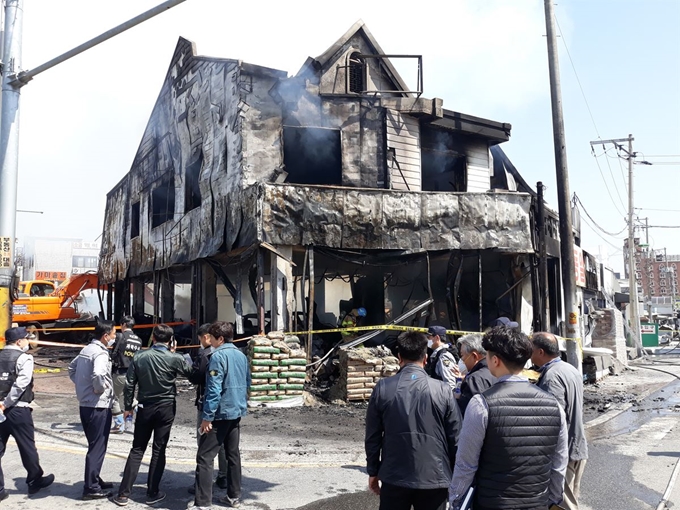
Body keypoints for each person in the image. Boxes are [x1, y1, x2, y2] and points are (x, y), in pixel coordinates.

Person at [449, 326, 568, 510]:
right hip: (537, 502)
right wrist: (552, 499)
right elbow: (559, 464)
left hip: (492, 502)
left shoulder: (481, 404)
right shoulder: (554, 405)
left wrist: (456, 500)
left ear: (495, 360)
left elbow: (466, 464)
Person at [365, 331, 462, 510]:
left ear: (399, 357)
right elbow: (456, 437)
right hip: (434, 476)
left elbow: (373, 435)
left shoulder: (383, 388)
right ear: (425, 358)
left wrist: (373, 470)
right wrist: (457, 474)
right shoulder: (442, 390)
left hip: (394, 474)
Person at [112, 324, 194, 507]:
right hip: (166, 407)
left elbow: (129, 384)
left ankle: (123, 494)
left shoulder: (140, 357)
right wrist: (177, 354)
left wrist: (128, 407)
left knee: (137, 449)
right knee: (159, 449)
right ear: (171, 341)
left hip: (145, 406)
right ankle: (152, 491)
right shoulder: (175, 358)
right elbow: (193, 376)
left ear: (153, 338)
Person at [191, 322, 250, 510]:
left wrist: (207, 417)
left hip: (220, 413)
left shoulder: (217, 356)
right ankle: (234, 497)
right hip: (236, 411)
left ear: (221, 339)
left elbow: (214, 390)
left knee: (205, 457)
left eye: (213, 338)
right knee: (233, 455)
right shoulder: (241, 355)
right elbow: (247, 382)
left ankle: (202, 503)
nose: (210, 341)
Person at [532, 332, 588, 510]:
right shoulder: (569, 369)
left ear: (540, 352)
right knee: (570, 500)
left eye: (530, 350)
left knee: (562, 504)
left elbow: (553, 420)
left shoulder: (551, 377)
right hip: (577, 446)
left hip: (563, 453)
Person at [0, 328, 54, 501]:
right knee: (27, 447)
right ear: (18, 342)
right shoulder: (24, 358)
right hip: (17, 409)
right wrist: (6, 403)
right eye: (25, 339)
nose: (27, 341)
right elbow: (20, 385)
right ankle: (34, 480)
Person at [68, 320, 116, 500]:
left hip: (86, 405)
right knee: (98, 446)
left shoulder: (86, 350)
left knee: (94, 445)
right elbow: (98, 374)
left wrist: (82, 386)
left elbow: (71, 368)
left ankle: (94, 477)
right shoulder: (100, 353)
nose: (114, 337)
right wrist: (97, 389)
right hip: (98, 405)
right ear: (105, 336)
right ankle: (91, 488)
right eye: (113, 334)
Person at [186, 323, 229, 495]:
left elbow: (198, 379)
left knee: (204, 445)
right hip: (227, 405)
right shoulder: (232, 354)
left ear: (206, 337)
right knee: (223, 444)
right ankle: (224, 477)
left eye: (201, 338)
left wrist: (188, 369)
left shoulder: (207, 354)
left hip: (208, 404)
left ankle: (204, 481)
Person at [110, 315, 142, 434]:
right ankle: (139, 408)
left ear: (123, 325)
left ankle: (119, 425)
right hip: (133, 374)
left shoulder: (119, 336)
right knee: (128, 397)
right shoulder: (138, 340)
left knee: (113, 398)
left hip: (120, 372)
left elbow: (111, 348)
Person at [456, 334, 496, 416]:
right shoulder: (496, 371)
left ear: (474, 356)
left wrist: (457, 399)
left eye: (462, 355)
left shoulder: (474, 379)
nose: (462, 360)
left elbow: (466, 412)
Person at [425, 325, 459, 392]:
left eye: (429, 337)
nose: (427, 339)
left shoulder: (443, 356)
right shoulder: (437, 354)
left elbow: (450, 384)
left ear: (437, 338)